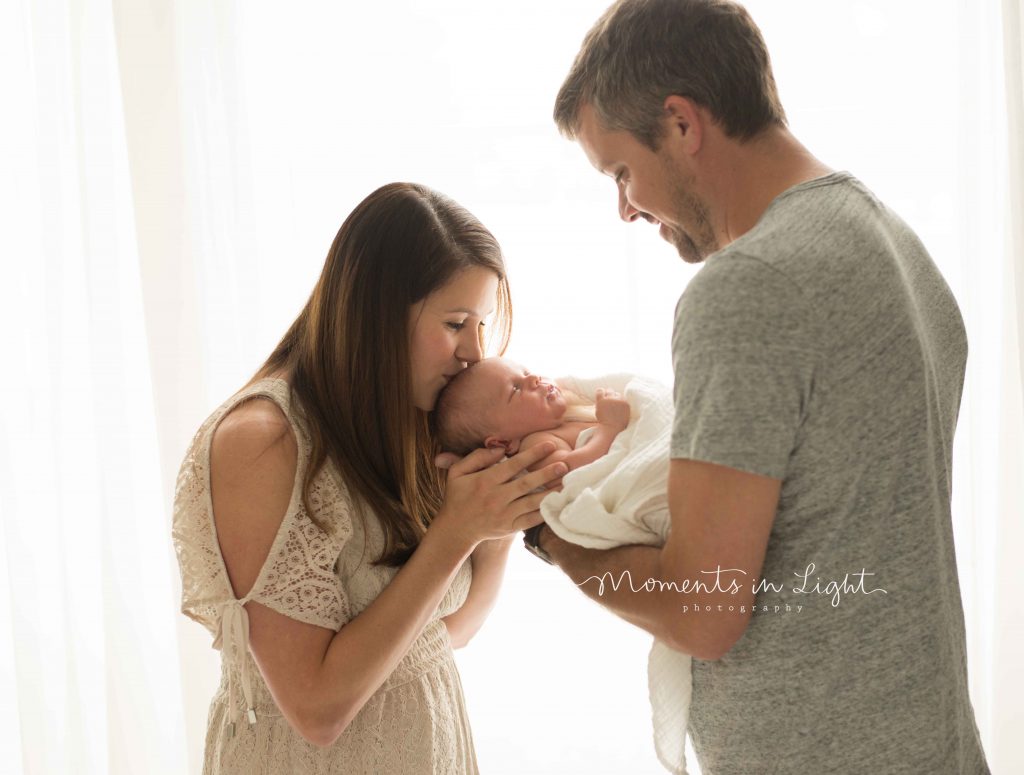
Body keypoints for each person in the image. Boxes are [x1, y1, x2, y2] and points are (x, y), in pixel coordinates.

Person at [529, 1, 991, 773]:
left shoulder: (746, 288)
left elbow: (701, 611)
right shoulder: (891, 238)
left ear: (681, 123)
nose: (624, 208)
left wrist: (550, 538)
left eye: (620, 171)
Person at [171, 182, 567, 774]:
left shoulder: (406, 418)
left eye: (481, 324)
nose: (475, 353)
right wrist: (457, 531)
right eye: (457, 322)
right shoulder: (262, 442)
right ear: (377, 312)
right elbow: (317, 710)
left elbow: (447, 634)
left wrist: (498, 522)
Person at [433, 357, 631, 471]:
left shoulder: (572, 401)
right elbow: (573, 474)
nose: (535, 379)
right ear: (503, 443)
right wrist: (610, 428)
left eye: (527, 372)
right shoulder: (537, 444)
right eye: (516, 389)